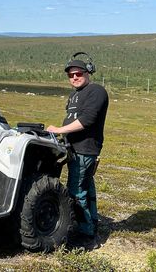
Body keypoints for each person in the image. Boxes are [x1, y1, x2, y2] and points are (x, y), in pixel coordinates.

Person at [46, 53, 108, 245]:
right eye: (70, 75)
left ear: (88, 72)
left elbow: (87, 120)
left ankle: (85, 235)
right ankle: (92, 223)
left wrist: (59, 130)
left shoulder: (96, 91)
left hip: (85, 149)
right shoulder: (74, 95)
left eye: (78, 73)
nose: (74, 77)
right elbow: (73, 118)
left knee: (76, 190)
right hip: (74, 148)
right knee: (86, 186)